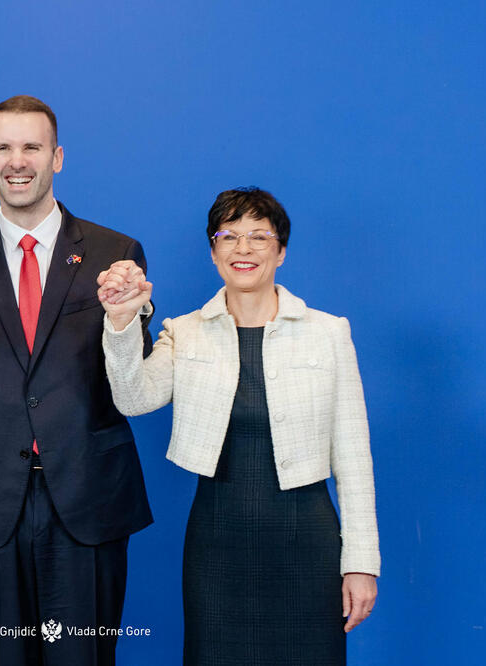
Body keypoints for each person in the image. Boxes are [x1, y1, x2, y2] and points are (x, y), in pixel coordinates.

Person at [98, 187, 380, 665]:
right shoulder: (185, 331)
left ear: (281, 251)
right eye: (229, 236)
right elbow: (133, 398)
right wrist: (122, 323)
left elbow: (354, 459)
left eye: (259, 237)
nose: (243, 249)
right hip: (217, 542)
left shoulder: (328, 333)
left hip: (307, 543)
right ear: (213, 252)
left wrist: (360, 564)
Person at [0, 95, 153, 666]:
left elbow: (133, 382)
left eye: (31, 147)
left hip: (87, 497)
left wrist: (128, 315)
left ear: (57, 157)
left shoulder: (113, 254)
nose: (16, 160)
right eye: (3, 147)